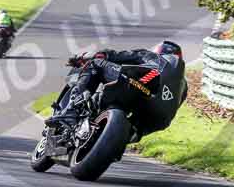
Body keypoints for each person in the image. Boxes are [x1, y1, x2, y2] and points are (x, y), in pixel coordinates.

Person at [46, 40, 188, 133]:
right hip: (159, 119)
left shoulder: (153, 57)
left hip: (135, 86)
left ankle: (70, 112)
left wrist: (87, 57)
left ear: (160, 51)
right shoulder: (182, 86)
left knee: (95, 64)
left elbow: (117, 56)